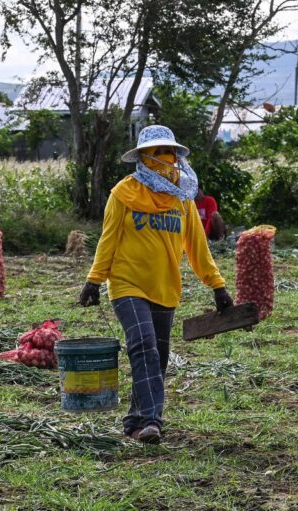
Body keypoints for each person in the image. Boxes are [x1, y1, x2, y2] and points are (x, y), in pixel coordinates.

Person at [78, 125, 233, 444]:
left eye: (170, 153)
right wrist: (93, 281)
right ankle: (151, 420)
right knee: (143, 343)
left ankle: (135, 420)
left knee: (157, 355)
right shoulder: (124, 193)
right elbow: (108, 240)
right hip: (126, 284)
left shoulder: (182, 199)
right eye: (158, 153)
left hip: (165, 287)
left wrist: (217, 286)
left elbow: (197, 247)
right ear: (144, 157)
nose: (166, 159)